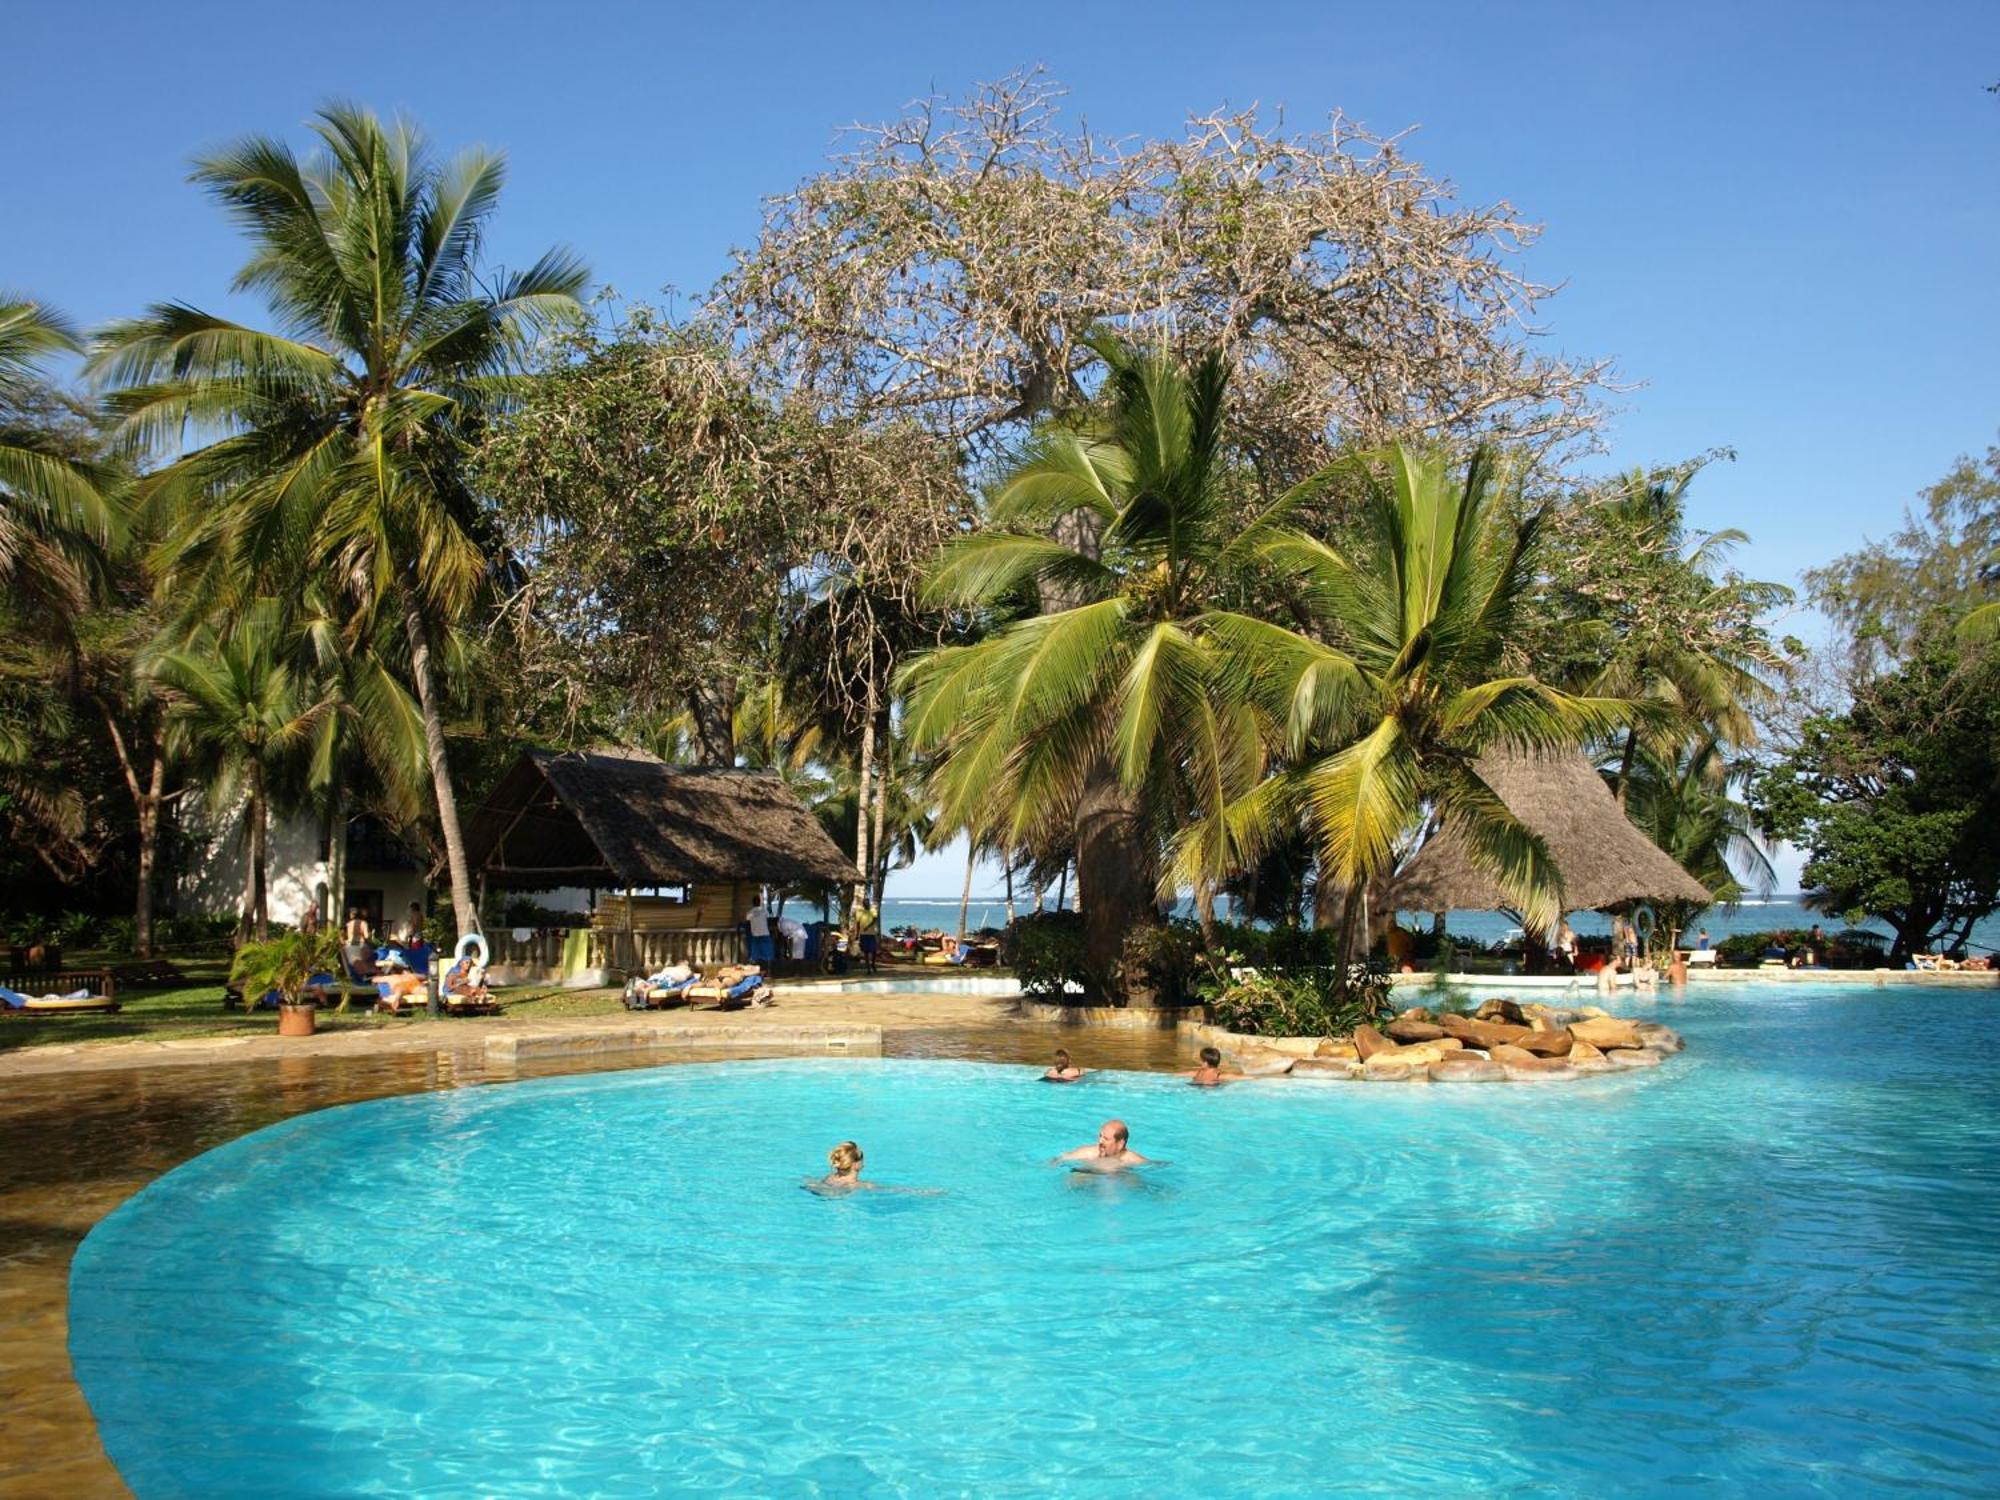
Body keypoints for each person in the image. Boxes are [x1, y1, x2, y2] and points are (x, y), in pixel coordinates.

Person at [1054, 1119, 1153, 1171]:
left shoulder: (1132, 1160)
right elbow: (1059, 1159)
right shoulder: (1088, 1152)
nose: (1100, 1141)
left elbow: (1156, 1167)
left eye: (1106, 1139)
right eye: (1100, 1136)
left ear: (1120, 1143)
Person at [341, 908, 376, 979]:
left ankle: (357, 974)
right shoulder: (363, 923)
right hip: (360, 943)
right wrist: (371, 934)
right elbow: (366, 936)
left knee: (355, 960)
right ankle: (367, 973)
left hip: (350, 944)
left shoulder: (348, 924)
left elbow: (346, 936)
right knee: (369, 955)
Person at [746, 895, 773, 964]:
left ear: (753, 903)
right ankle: (768, 968)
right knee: (767, 952)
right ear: (759, 902)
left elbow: (747, 920)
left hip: (755, 934)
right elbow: (769, 917)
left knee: (756, 953)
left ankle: (757, 967)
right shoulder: (764, 911)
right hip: (765, 933)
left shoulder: (750, 913)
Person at [856, 900, 881, 973]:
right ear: (863, 904)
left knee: (874, 951)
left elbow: (874, 919)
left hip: (871, 934)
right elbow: (857, 923)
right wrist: (857, 934)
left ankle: (873, 964)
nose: (867, 905)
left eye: (868, 903)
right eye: (865, 903)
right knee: (866, 952)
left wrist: (868, 926)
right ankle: (868, 968)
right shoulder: (860, 912)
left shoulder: (872, 910)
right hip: (863, 934)